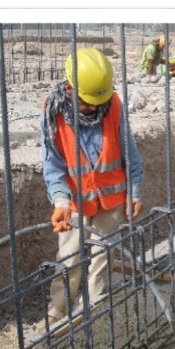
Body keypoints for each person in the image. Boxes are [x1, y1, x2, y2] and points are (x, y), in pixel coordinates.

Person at [40, 48, 145, 325]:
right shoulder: (53, 112)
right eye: (87, 103)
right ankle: (59, 312)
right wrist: (60, 201)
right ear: (71, 87)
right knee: (69, 258)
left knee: (103, 256)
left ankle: (96, 308)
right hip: (74, 202)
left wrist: (134, 191)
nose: (95, 108)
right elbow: (53, 166)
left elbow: (129, 153)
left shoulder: (114, 105)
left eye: (99, 102)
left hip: (111, 200)